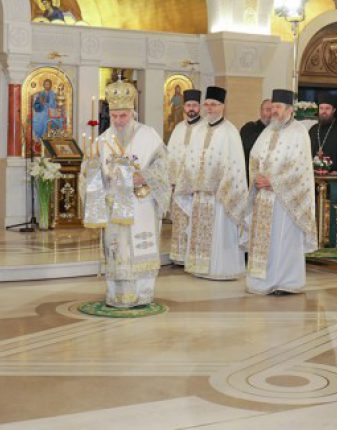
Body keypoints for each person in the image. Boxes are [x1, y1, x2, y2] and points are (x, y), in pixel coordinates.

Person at [94, 79, 170, 307]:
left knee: (139, 247)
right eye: (115, 116)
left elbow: (164, 166)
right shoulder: (102, 141)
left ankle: (142, 293)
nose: (118, 121)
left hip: (141, 205)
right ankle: (116, 294)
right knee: (117, 249)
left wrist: (144, 176)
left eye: (123, 116)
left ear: (132, 113)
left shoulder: (149, 135)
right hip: (114, 206)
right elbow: (93, 175)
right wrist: (90, 174)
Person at [245, 89, 316, 295]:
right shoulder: (268, 131)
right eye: (272, 107)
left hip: (285, 200)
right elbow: (254, 157)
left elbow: (299, 168)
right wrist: (257, 177)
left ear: (290, 110)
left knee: (283, 241)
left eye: (277, 107)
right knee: (264, 241)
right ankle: (262, 281)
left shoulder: (299, 132)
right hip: (264, 198)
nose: (273, 111)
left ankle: (286, 282)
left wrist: (273, 181)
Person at [180, 86, 249, 279]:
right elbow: (191, 159)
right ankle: (198, 266)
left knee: (220, 232)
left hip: (220, 195)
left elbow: (235, 165)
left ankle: (221, 269)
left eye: (214, 105)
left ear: (223, 106)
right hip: (199, 193)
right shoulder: (199, 130)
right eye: (207, 104)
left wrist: (220, 185)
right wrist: (192, 182)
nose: (209, 108)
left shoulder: (230, 131)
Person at [166, 89, 203, 265]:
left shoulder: (205, 128)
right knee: (180, 221)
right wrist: (172, 180)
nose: (191, 109)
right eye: (188, 105)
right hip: (179, 184)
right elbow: (171, 155)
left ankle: (193, 257)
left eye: (195, 105)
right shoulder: (178, 129)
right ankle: (179, 256)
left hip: (195, 186)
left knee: (196, 222)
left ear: (200, 107)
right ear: (184, 107)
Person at [240, 99, 273, 181]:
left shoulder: (280, 130)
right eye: (268, 110)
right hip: (253, 176)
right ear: (261, 111)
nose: (270, 113)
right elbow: (246, 146)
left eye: (273, 110)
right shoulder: (250, 127)